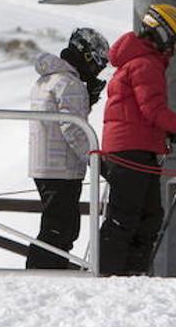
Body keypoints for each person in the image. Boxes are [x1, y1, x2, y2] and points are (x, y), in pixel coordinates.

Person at [98, 3, 176, 276]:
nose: (175, 52)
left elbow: (145, 110)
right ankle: (111, 273)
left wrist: (175, 130)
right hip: (132, 149)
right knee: (127, 215)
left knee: (147, 216)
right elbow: (153, 109)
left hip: (133, 147)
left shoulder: (139, 61)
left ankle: (128, 273)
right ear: (160, 33)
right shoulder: (146, 64)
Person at [25, 27, 111, 269]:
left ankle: (50, 269)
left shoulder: (48, 78)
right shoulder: (69, 83)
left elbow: (66, 118)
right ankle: (43, 272)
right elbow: (73, 128)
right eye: (98, 63)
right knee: (60, 227)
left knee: (59, 223)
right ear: (86, 57)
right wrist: (95, 160)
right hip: (61, 166)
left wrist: (88, 100)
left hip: (46, 163)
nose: (98, 70)